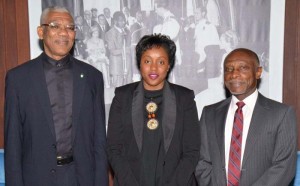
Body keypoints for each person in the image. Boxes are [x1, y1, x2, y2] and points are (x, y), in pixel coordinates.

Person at [4, 6, 108, 186]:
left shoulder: (92, 77)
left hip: (81, 177)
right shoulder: (18, 78)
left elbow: (99, 140)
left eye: (70, 27)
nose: (64, 33)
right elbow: (13, 143)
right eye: (55, 26)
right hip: (36, 178)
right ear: (41, 32)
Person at [107, 34, 200, 186]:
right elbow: (114, 148)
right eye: (147, 61)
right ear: (140, 63)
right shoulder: (122, 97)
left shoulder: (184, 98)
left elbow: (192, 151)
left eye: (161, 62)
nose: (154, 68)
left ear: (169, 65)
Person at [195, 48, 297, 186]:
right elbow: (202, 161)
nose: (234, 74)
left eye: (243, 68)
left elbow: (284, 167)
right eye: (228, 69)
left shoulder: (281, 114)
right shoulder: (210, 113)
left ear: (258, 72)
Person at [105, 11, 132, 87]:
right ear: (115, 21)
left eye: (124, 20)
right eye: (121, 21)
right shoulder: (110, 33)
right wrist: (125, 50)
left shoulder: (127, 31)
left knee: (128, 86)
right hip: (117, 63)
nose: (123, 22)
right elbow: (112, 51)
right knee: (118, 88)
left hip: (127, 62)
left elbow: (129, 45)